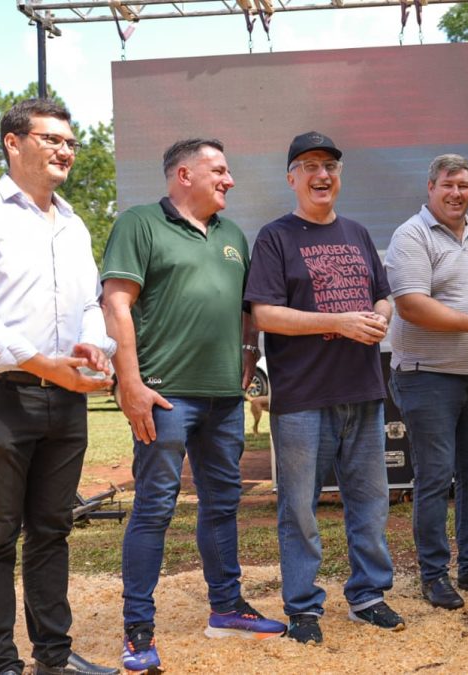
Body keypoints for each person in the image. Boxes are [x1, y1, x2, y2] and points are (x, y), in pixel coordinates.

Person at [0, 98, 118, 675]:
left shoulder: (74, 222)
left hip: (64, 392)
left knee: (52, 530)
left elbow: (89, 304)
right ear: (14, 143)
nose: (65, 149)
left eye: (70, 141)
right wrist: (41, 362)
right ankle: (0, 664)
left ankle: (54, 659)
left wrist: (96, 345)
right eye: (52, 138)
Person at [101, 138, 287, 672]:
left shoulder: (233, 235)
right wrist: (129, 383)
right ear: (184, 174)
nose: (229, 180)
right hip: (163, 395)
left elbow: (249, 308)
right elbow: (116, 303)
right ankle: (138, 633)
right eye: (219, 171)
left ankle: (226, 609)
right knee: (155, 509)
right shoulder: (139, 223)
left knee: (223, 505)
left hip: (225, 399)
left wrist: (250, 352)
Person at [245, 131, 403, 644]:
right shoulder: (276, 237)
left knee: (370, 501)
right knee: (299, 508)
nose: (322, 175)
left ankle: (368, 596)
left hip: (363, 389)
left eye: (330, 165)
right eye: (309, 166)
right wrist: (338, 320)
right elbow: (265, 313)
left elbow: (383, 296)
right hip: (303, 398)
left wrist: (378, 317)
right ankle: (304, 607)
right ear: (292, 177)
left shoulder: (356, 232)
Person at [384, 154, 468, 610]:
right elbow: (412, 306)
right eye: (448, 185)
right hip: (428, 377)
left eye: (464, 185)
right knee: (435, 477)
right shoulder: (411, 236)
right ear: (430, 187)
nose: (457, 193)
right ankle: (434, 573)